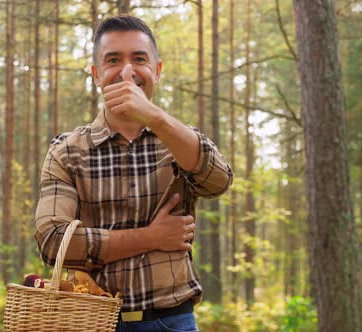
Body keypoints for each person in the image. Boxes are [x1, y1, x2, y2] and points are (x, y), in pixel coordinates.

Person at [35, 14, 232, 332]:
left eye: (139, 59)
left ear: (157, 70)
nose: (127, 71)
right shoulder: (66, 150)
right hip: (88, 321)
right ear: (97, 75)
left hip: (172, 321)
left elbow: (218, 182)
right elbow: (52, 242)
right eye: (113, 60)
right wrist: (151, 237)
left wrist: (157, 118)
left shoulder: (180, 141)